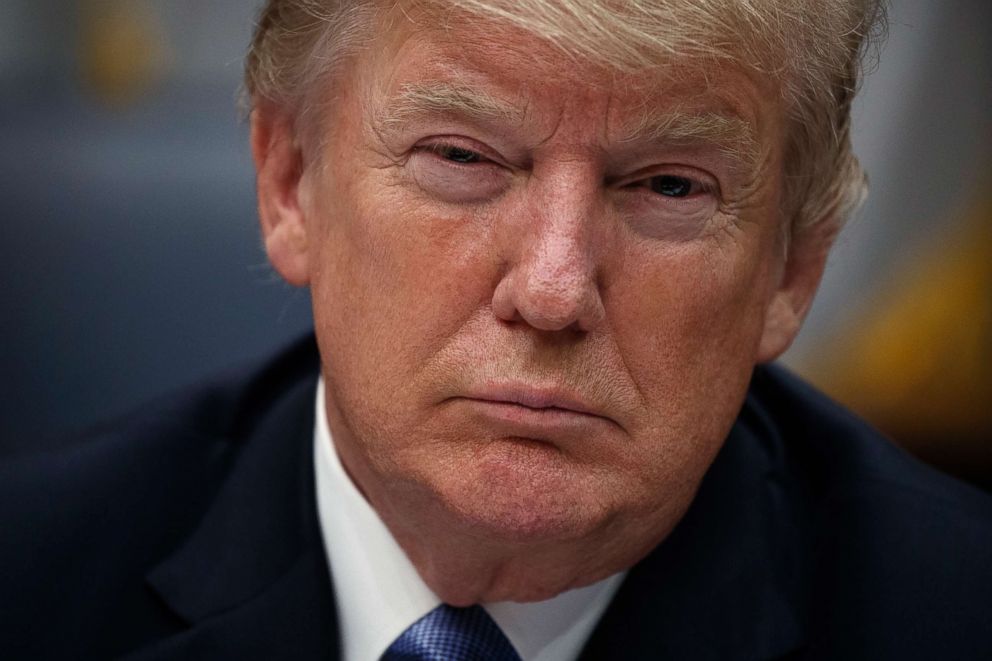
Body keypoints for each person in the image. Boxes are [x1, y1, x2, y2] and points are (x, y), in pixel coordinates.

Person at [2, 1, 990, 659]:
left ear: (789, 267)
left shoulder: (950, 613)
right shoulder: (31, 573)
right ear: (288, 183)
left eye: (667, 185)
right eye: (463, 157)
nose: (553, 289)